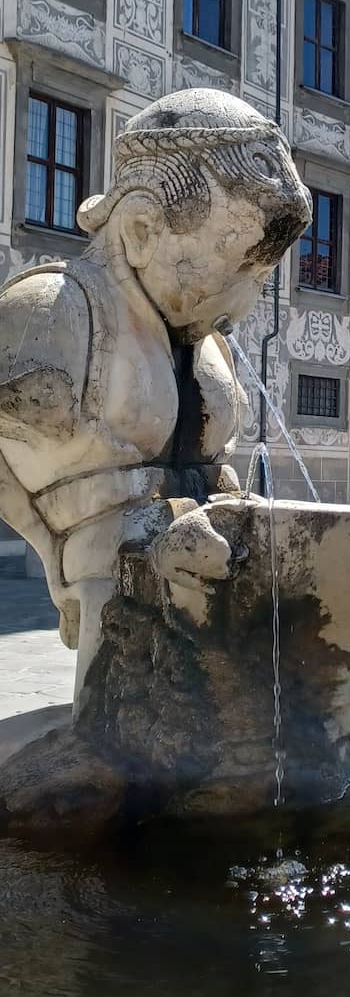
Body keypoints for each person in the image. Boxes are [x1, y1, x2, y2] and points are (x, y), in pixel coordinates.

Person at [0, 89, 311, 697]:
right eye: (232, 266)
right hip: (117, 594)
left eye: (260, 277)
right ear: (142, 229)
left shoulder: (204, 342)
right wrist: (51, 555)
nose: (244, 305)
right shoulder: (52, 317)